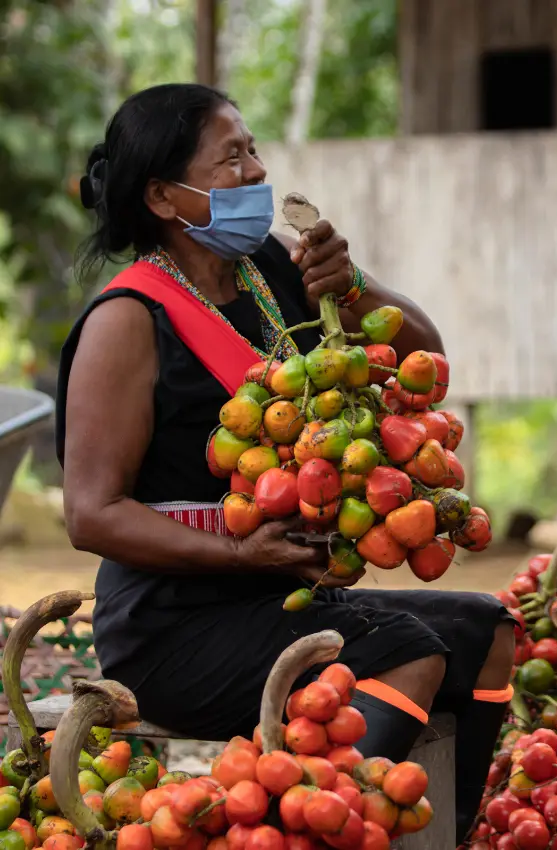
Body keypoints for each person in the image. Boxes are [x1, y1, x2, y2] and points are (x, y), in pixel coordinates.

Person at [55, 82, 514, 845]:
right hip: (171, 627)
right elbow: (90, 513)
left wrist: (355, 286)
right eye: (231, 157)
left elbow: (425, 360)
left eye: (254, 148)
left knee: (486, 627)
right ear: (168, 197)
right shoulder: (127, 320)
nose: (257, 171)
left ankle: (444, 833)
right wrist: (238, 552)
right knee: (409, 652)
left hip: (279, 599)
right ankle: (297, 829)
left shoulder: (271, 268)